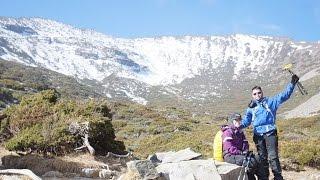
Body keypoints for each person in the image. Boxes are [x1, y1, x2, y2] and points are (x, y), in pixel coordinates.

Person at [240, 74, 300, 180]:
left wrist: (292, 84)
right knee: (262, 158)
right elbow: (246, 121)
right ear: (252, 96)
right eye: (255, 94)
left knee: (273, 156)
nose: (257, 95)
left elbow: (284, 95)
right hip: (258, 135)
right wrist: (237, 126)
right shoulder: (250, 108)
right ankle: (264, 177)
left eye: (259, 93)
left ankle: (278, 177)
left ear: (262, 93)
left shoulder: (270, 102)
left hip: (270, 133)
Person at [222, 113, 258, 180]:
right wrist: (241, 152)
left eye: (239, 120)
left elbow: (245, 143)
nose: (238, 122)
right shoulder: (228, 132)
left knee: (258, 159)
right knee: (251, 162)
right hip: (229, 155)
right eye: (236, 120)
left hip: (239, 154)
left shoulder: (240, 132)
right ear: (232, 121)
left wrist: (245, 151)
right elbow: (229, 148)